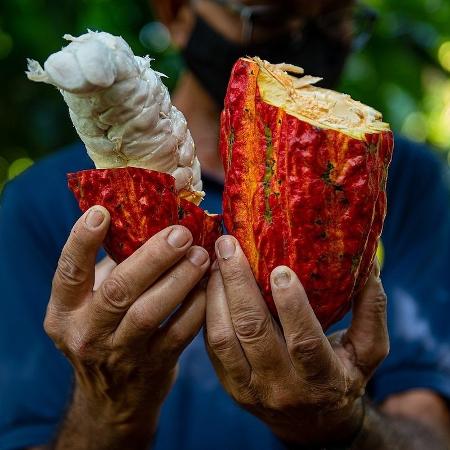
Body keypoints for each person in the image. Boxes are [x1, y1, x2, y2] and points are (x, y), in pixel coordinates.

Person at [0, 0, 449, 449]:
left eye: (333, 19)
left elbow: (430, 434)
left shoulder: (402, 181)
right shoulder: (40, 205)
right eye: (269, 18)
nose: (306, 41)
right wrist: (109, 408)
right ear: (175, 15)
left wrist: (339, 424)